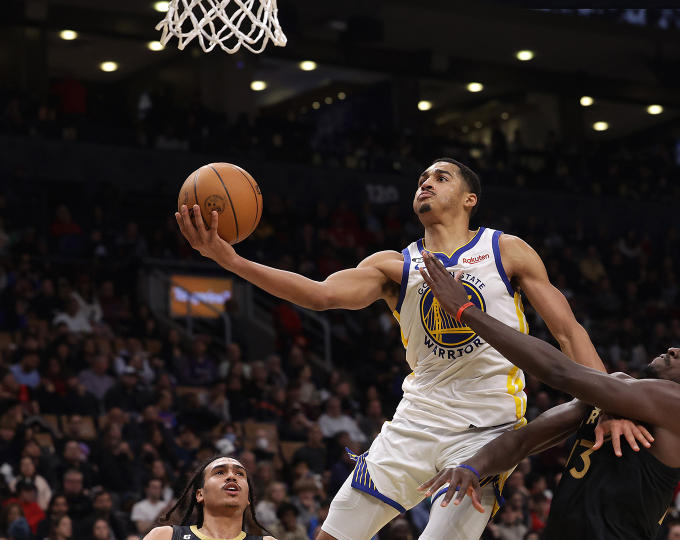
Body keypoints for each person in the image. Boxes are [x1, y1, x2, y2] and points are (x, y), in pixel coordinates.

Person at [175, 158, 642, 540]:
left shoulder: (507, 251)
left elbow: (568, 331)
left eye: (441, 178)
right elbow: (318, 294)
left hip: (486, 428)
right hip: (415, 421)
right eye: (422, 179)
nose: (426, 183)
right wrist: (231, 260)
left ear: (468, 199)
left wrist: (612, 404)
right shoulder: (395, 266)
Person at [416, 251, 680, 540]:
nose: (675, 349)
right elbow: (524, 441)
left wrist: (466, 312)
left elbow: (561, 373)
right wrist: (473, 467)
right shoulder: (614, 397)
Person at [142, 456, 274, 540]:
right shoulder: (165, 536)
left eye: (240, 474)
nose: (232, 477)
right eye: (220, 472)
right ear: (200, 494)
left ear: (247, 499)